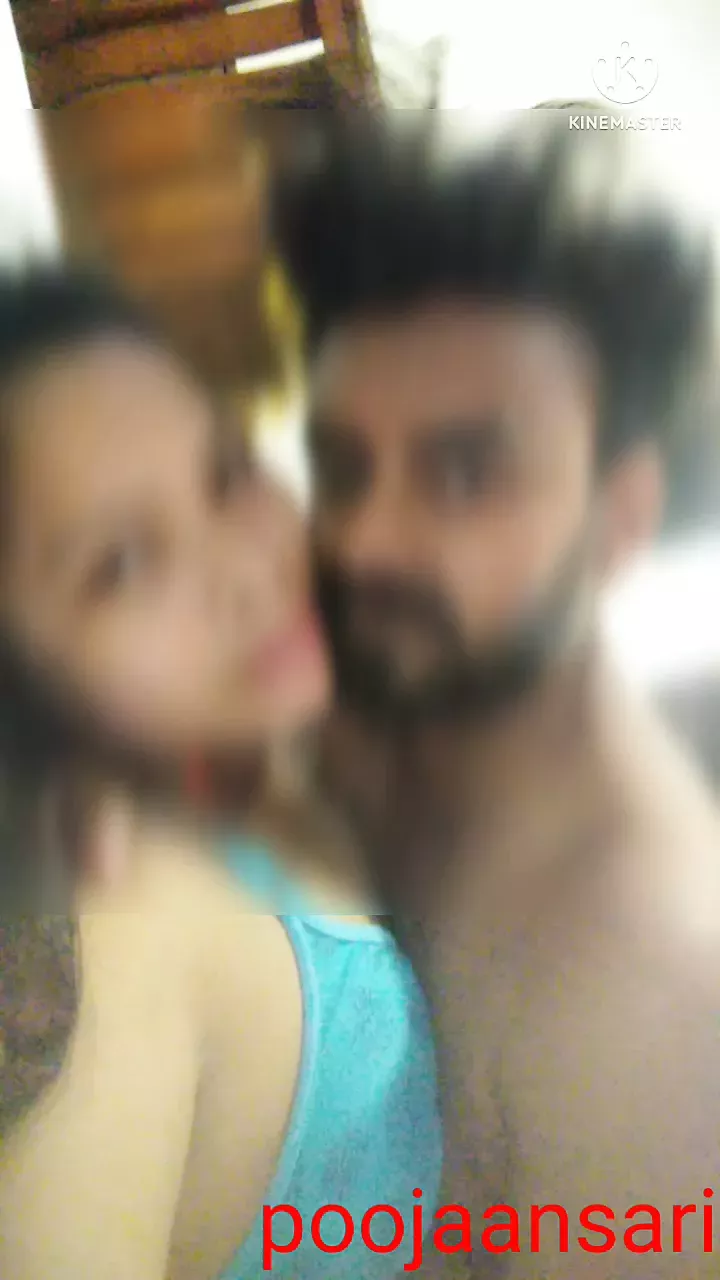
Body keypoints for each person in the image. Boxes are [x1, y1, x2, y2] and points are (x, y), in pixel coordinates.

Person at [275, 115, 720, 1277]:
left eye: (467, 470)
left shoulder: (652, 1002)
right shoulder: (397, 717)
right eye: (343, 467)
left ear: (620, 518)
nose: (365, 542)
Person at [0, 268, 443, 1279]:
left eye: (228, 474)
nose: (247, 569)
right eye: (120, 563)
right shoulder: (115, 930)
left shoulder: (274, 762)